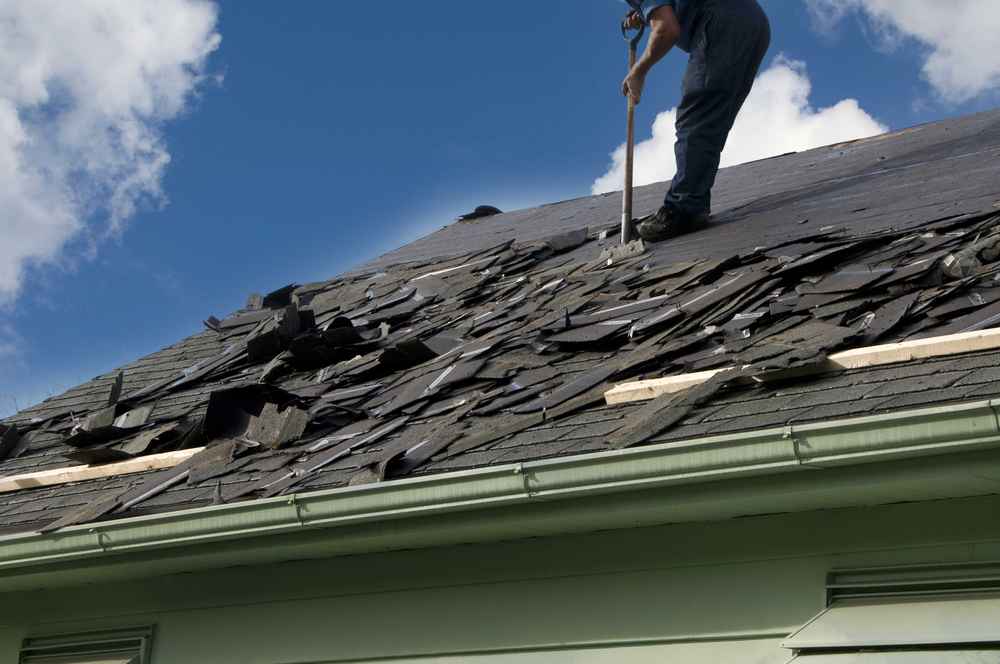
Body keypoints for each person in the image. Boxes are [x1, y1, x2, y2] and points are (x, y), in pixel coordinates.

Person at [622, 0, 770, 241]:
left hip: (723, 26)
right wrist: (645, 13)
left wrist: (638, 72)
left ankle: (684, 208)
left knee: (697, 117)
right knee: (711, 119)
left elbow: (666, 28)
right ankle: (691, 202)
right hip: (753, 24)